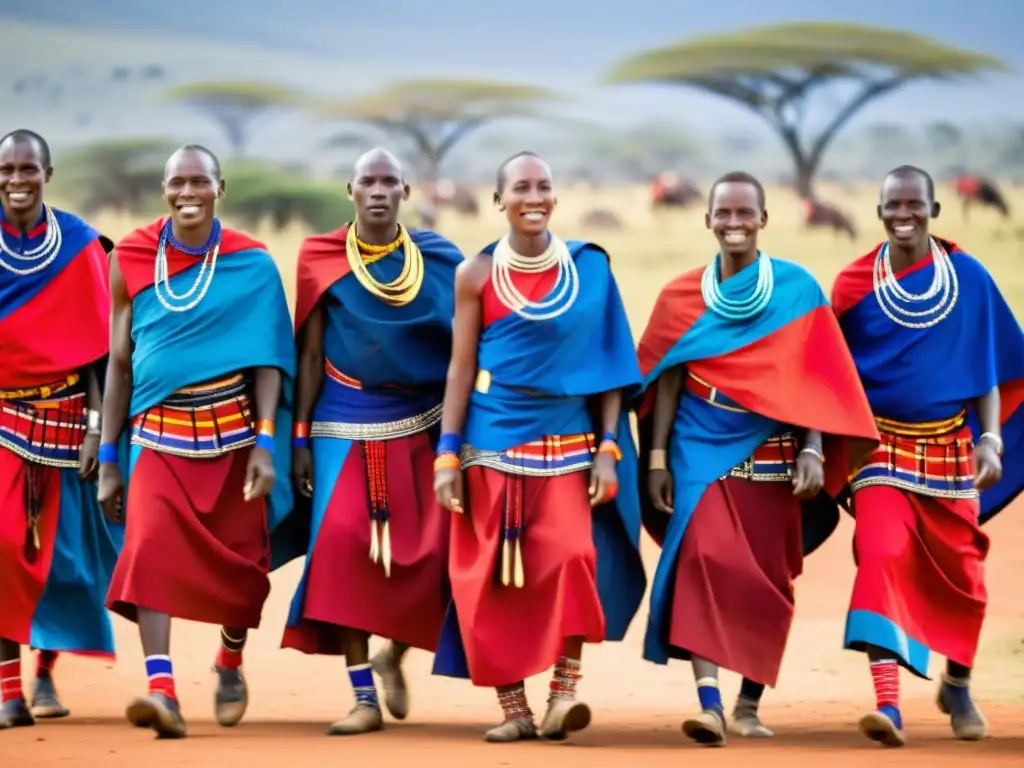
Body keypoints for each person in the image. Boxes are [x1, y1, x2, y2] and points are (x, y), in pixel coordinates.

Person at [635, 171, 880, 747]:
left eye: (746, 213)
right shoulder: (681, 295)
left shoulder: (796, 290)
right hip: (697, 440)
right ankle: (710, 703)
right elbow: (665, 380)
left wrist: (815, 448)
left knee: (767, 581)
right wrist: (658, 459)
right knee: (701, 559)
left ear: (764, 220)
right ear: (708, 219)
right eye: (724, 213)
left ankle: (748, 702)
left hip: (772, 449)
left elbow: (820, 377)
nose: (734, 223)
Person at [431, 151, 647, 743]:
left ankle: (564, 692)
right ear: (499, 200)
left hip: (569, 444)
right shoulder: (474, 274)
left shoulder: (590, 268)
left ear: (556, 196)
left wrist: (609, 448)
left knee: (572, 558)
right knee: (488, 581)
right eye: (521, 187)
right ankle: (514, 710)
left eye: (544, 186)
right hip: (490, 441)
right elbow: (460, 367)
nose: (534, 197)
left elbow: (610, 367)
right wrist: (447, 454)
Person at [97, 145, 296, 739]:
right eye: (177, 183)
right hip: (156, 433)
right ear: (163, 189)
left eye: (199, 182)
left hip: (233, 436)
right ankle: (163, 690)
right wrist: (109, 456)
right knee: (149, 549)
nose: (188, 193)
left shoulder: (252, 263)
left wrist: (265, 442)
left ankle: (229, 659)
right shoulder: (130, 255)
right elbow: (118, 362)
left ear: (220, 187)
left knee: (244, 567)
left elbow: (268, 359)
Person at [832, 165, 1024, 748]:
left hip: (949, 448)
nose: (904, 213)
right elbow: (825, 374)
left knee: (966, 574)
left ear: (935, 210)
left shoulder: (967, 276)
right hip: (879, 448)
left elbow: (988, 373)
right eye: (893, 203)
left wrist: (989, 439)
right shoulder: (853, 284)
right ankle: (888, 706)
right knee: (883, 551)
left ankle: (958, 684)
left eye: (915, 203)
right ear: (880, 211)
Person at [280, 148, 463, 735]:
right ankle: (362, 696)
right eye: (368, 181)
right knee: (341, 544)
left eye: (390, 182)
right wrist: (301, 438)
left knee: (433, 554)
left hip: (421, 418)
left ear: (406, 191)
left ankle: (393, 656)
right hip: (340, 414)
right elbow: (307, 352)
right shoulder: (320, 257)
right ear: (350, 190)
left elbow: (465, 350)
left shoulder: (439, 258)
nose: (379, 191)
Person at [0, 129, 123, 731]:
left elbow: (101, 353)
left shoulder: (78, 246)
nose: (16, 179)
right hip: (1, 417)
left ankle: (45, 672)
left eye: (28, 168)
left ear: (47, 173)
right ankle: (7, 693)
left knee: (64, 562)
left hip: (67, 419)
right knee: (2, 549)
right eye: (6, 169)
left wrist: (97, 431)